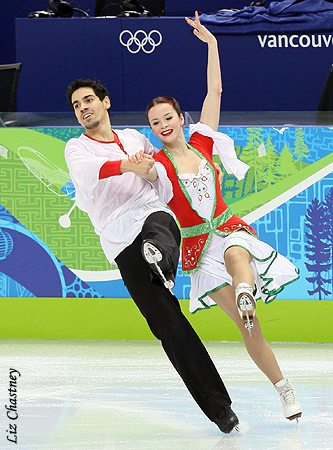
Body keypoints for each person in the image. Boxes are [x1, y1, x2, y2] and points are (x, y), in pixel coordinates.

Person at [129, 11, 302, 421]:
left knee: (237, 254)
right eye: (155, 123)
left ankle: (246, 291)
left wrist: (213, 44)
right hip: (196, 247)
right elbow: (139, 171)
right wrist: (134, 163)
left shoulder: (204, 142)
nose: (163, 125)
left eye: (168, 117)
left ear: (181, 118)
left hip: (226, 228)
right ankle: (284, 388)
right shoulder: (157, 164)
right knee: (249, 328)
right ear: (153, 130)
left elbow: (215, 91)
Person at [63, 76, 239, 432]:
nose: (83, 108)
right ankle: (219, 407)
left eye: (88, 100)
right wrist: (129, 166)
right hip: (118, 237)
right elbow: (86, 173)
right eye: (77, 105)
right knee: (167, 325)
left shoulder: (133, 138)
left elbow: (162, 171)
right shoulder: (76, 147)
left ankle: (161, 260)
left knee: (160, 224)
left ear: (105, 102)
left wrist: (155, 168)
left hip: (149, 214)